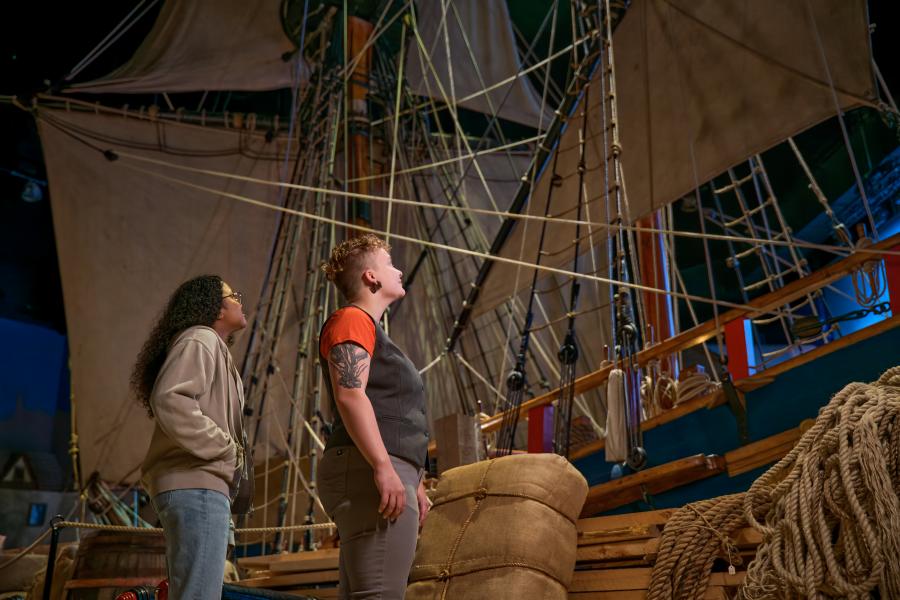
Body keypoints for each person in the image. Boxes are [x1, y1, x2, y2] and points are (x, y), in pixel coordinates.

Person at [317, 234, 432, 599]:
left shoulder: (367, 327)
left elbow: (386, 409)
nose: (398, 270)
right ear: (371, 277)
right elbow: (351, 395)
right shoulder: (353, 319)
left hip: (375, 467)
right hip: (369, 468)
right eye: (389, 263)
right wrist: (384, 467)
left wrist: (414, 479)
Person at [132, 275, 248, 600]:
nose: (240, 300)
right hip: (198, 485)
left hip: (202, 486)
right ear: (216, 307)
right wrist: (225, 449)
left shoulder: (209, 346)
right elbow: (171, 399)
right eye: (233, 295)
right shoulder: (201, 339)